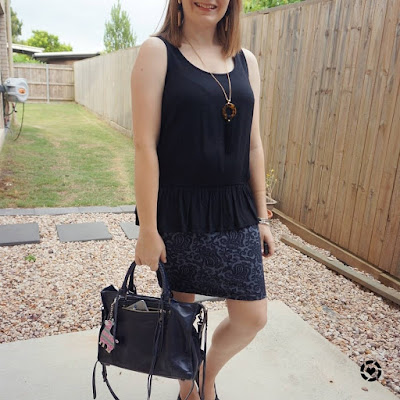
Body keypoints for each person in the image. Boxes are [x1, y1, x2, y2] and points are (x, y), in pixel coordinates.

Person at [130, 0, 275, 399]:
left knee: (252, 316)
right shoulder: (158, 52)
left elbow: (253, 145)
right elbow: (145, 146)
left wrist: (262, 218)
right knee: (180, 316)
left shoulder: (247, 61)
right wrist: (147, 229)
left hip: (235, 209)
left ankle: (202, 377)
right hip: (177, 211)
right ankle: (191, 391)